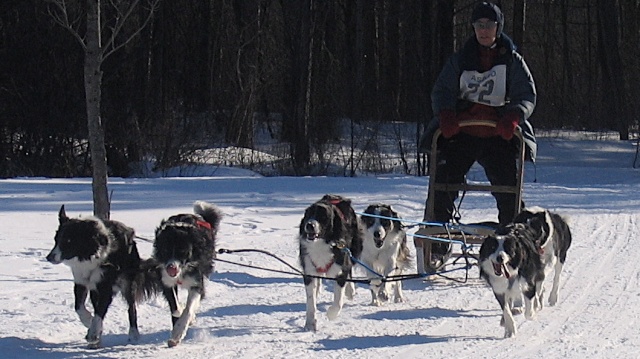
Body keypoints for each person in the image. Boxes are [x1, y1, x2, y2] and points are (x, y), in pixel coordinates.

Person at [417, 1, 537, 269]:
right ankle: (437, 247)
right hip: (462, 133)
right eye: (479, 25)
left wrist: (514, 116)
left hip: (498, 134)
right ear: (473, 28)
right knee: (443, 187)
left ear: (498, 27)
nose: (484, 30)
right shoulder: (460, 59)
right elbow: (441, 91)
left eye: (490, 25)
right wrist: (446, 114)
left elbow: (526, 94)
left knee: (509, 192)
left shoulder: (512, 59)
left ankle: (513, 247)